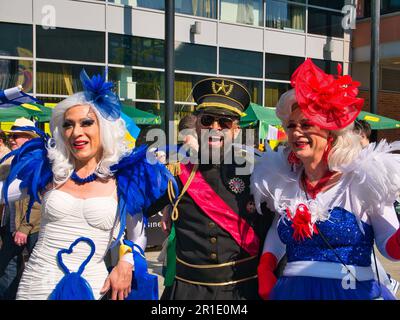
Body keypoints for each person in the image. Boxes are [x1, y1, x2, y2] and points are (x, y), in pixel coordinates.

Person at [0, 70, 175, 300]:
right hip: (37, 285)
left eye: (86, 123)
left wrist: (127, 261)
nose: (76, 132)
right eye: (68, 125)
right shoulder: (49, 171)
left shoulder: (124, 179)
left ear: (105, 128)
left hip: (94, 287)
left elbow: (138, 234)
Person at [252, 58, 400, 300]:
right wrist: (265, 267)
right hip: (292, 293)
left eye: (306, 124)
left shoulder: (362, 180)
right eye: (291, 126)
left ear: (331, 132)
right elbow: (277, 237)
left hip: (351, 293)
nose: (296, 132)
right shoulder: (284, 181)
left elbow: (390, 249)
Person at [148, 77, 274, 300]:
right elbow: (131, 208)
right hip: (188, 291)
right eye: (207, 120)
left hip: (241, 291)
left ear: (235, 130)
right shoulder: (176, 172)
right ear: (197, 124)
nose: (215, 128)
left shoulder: (258, 172)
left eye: (224, 122)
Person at [0, 118, 42, 300]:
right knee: (6, 267)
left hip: (32, 228)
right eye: (11, 136)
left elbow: (37, 197)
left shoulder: (38, 159)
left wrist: (24, 227)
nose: (11, 140)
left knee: (36, 270)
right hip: (13, 224)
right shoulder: (16, 159)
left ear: (29, 138)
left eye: (16, 136)